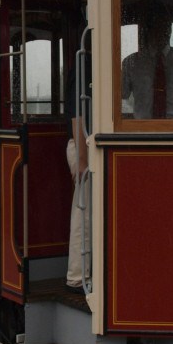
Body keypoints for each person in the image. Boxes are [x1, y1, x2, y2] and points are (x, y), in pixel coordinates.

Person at [121, 8, 173, 119]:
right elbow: (122, 94)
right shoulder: (131, 63)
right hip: (144, 126)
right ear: (147, 31)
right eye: (158, 26)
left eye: (167, 26)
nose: (164, 32)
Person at [65, 30, 91, 296]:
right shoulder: (84, 66)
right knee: (83, 208)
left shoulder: (89, 64)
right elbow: (77, 114)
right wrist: (81, 161)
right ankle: (76, 276)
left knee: (87, 209)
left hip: (90, 143)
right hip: (82, 144)